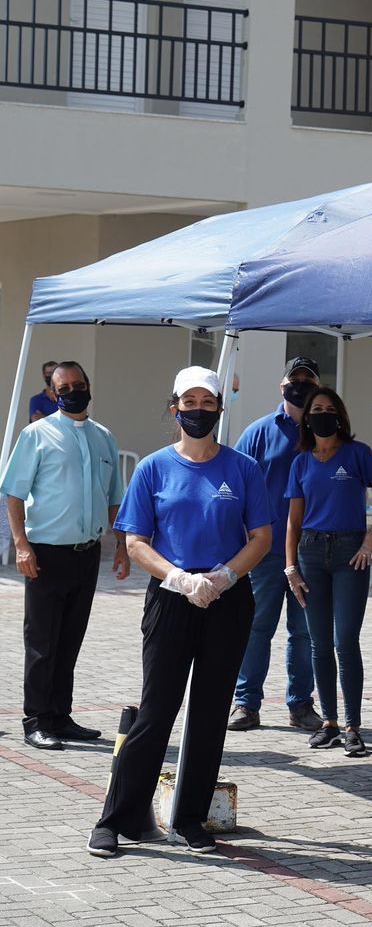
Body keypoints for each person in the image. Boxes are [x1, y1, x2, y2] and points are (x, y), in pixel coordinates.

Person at [86, 366, 271, 858]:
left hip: (227, 599)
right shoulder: (153, 468)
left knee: (210, 712)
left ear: (219, 409)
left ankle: (190, 818)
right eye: (189, 402)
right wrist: (181, 580)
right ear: (175, 408)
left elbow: (261, 537)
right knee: (156, 710)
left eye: (206, 402)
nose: (198, 410)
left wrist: (224, 577)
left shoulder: (243, 468)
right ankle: (115, 819)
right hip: (172, 596)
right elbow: (135, 541)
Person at [1, 360, 129, 751]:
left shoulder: (104, 437)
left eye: (78, 384)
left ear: (89, 385)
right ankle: (36, 720)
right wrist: (21, 545)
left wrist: (122, 546)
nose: (73, 391)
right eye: (64, 387)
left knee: (70, 639)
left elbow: (114, 497)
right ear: (53, 394)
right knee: (43, 642)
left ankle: (60, 716)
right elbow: (14, 493)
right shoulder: (36, 435)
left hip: (86, 554)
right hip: (45, 555)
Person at [284, 386, 372, 756]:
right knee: (318, 643)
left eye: (329, 408)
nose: (323, 414)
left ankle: (353, 727)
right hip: (311, 553)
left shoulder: (357, 453)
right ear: (306, 418)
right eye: (316, 409)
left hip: (351, 553)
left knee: (345, 641)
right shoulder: (301, 462)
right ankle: (329, 723)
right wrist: (290, 567)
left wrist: (371, 537)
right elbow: (293, 522)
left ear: (340, 415)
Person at [228, 356, 324, 733]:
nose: (300, 386)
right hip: (265, 553)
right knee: (256, 628)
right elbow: (235, 487)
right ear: (282, 385)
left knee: (304, 632)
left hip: (311, 552)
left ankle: (301, 704)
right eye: (294, 379)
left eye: (308, 380)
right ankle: (246, 703)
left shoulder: (326, 431)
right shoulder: (257, 433)